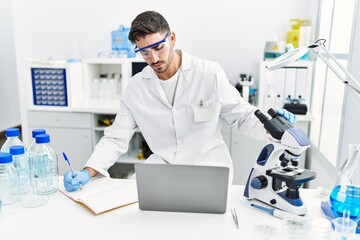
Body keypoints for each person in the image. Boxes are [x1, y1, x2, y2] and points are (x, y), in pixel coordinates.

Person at [63, 11, 297, 192]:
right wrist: (88, 170)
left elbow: (242, 115)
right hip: (162, 170)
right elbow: (116, 137)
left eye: (158, 47)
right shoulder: (136, 87)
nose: (153, 58)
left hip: (209, 169)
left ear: (172, 38)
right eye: (144, 52)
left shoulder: (208, 73)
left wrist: (274, 128)